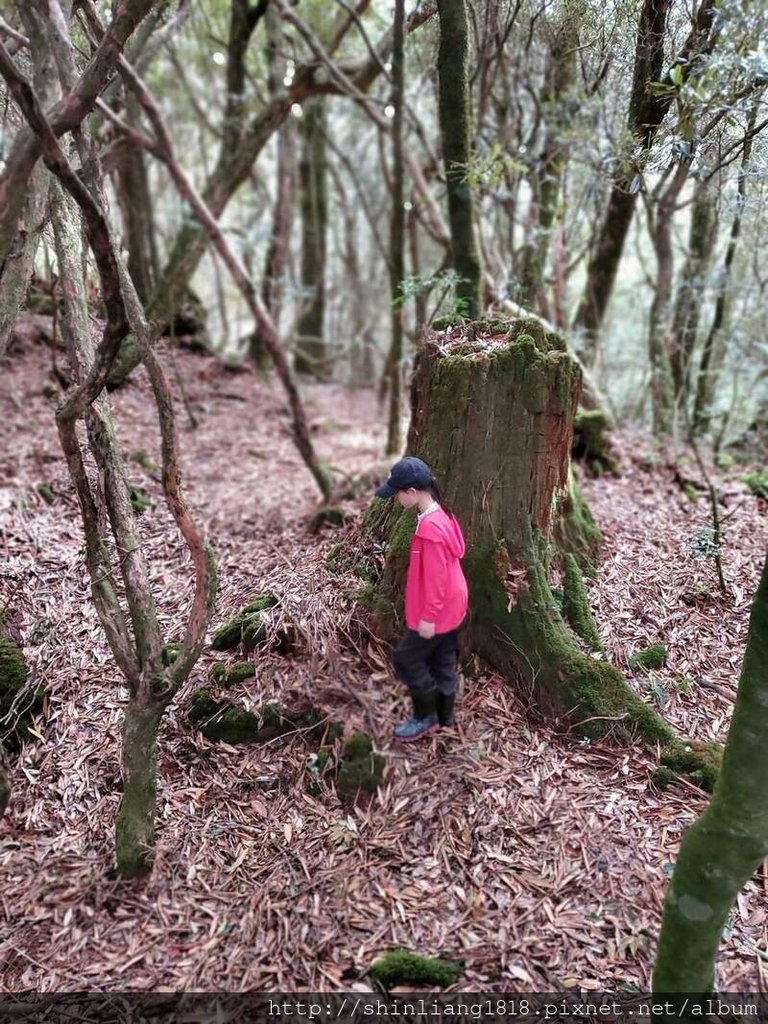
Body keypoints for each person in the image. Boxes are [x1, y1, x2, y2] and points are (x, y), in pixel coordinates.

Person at [375, 456, 469, 741]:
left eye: (398, 494)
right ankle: (445, 716)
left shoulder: (430, 529)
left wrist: (429, 617)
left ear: (412, 493)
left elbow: (437, 580)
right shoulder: (443, 514)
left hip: (438, 608)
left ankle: (425, 716)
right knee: (442, 658)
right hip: (454, 603)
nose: (396, 499)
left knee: (407, 659)